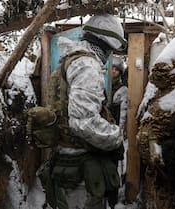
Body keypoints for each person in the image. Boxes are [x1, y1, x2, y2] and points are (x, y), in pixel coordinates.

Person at [36, 14, 127, 209]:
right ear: (106, 43)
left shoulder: (69, 60)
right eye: (111, 49)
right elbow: (82, 122)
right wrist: (116, 137)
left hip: (67, 160)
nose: (110, 54)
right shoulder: (86, 65)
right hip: (79, 169)